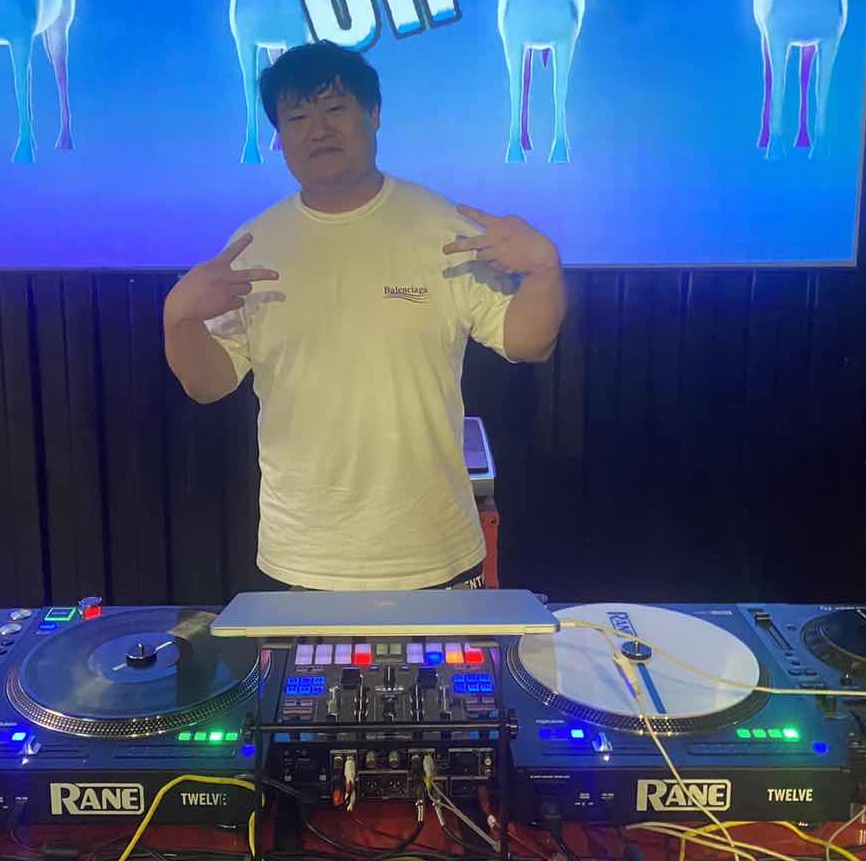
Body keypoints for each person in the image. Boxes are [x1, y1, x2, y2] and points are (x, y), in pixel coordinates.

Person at [163, 41, 566, 590]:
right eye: (297, 118)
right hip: (302, 557)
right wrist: (179, 320)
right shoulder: (254, 246)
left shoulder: (442, 227)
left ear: (374, 114)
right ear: (278, 137)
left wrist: (544, 270)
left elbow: (528, 342)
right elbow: (209, 384)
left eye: (335, 108)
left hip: (434, 549)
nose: (318, 130)